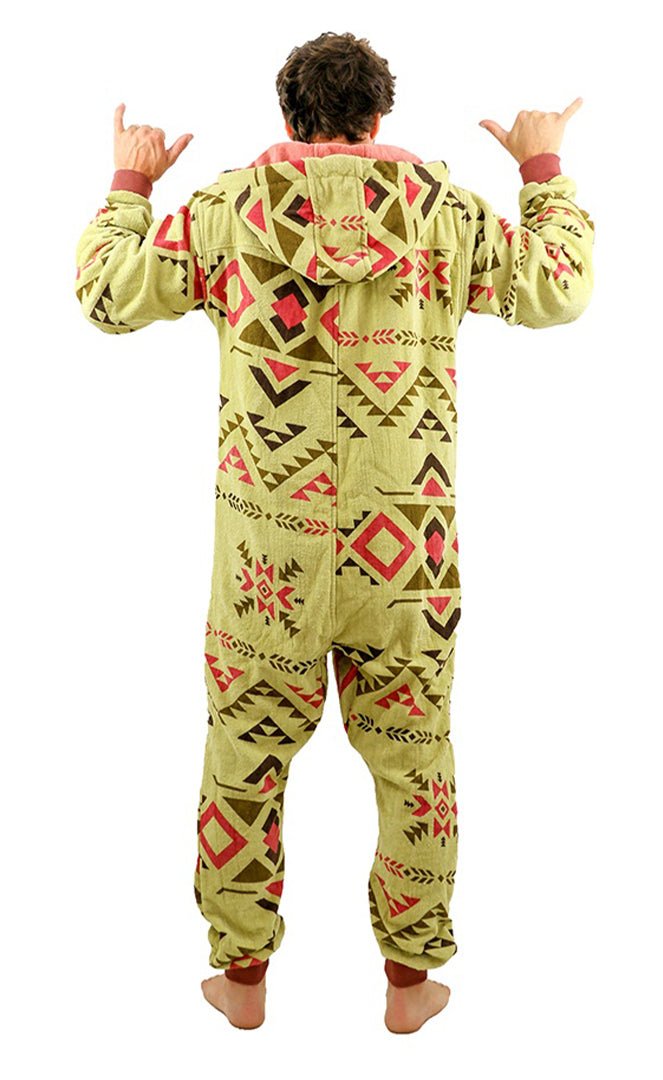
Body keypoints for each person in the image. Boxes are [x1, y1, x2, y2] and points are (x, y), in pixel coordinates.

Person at [73, 30, 595, 1034]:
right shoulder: (445, 215)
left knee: (243, 760)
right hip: (406, 560)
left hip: (267, 561)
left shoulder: (225, 213)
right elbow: (558, 286)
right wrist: (542, 171)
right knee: (415, 762)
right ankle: (408, 986)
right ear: (379, 117)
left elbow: (105, 293)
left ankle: (242, 982)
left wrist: (131, 184)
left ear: (288, 117)